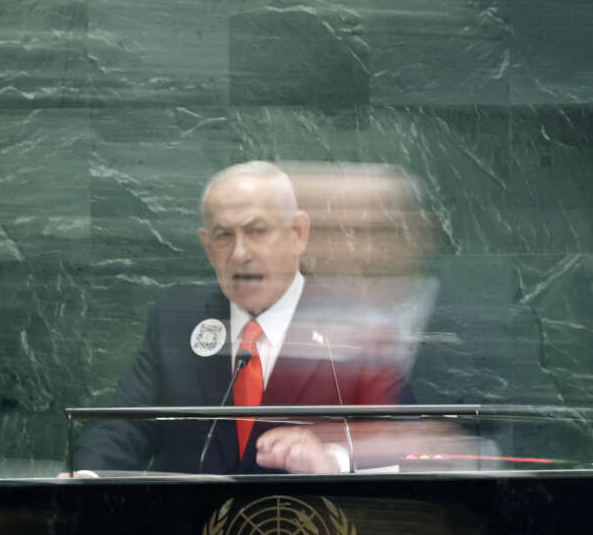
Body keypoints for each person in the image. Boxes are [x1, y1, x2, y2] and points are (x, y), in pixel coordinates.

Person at [69, 161, 413, 476]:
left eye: (257, 231)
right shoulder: (176, 322)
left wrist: (333, 458)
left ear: (298, 233)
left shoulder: (359, 329)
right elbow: (122, 427)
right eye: (224, 236)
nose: (240, 254)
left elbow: (407, 445)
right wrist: (85, 480)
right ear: (207, 246)